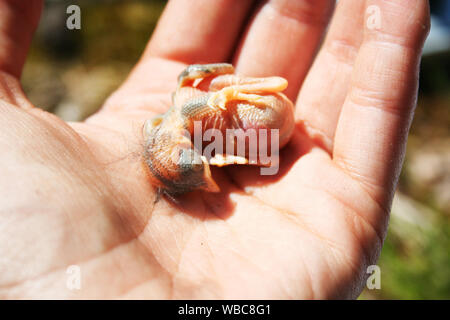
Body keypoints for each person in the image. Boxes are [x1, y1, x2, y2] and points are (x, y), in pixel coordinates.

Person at [0, 0, 430, 299]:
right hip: (249, 125)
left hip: (249, 116)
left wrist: (220, 97)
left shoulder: (184, 109)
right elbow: (219, 150)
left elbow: (201, 84)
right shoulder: (194, 135)